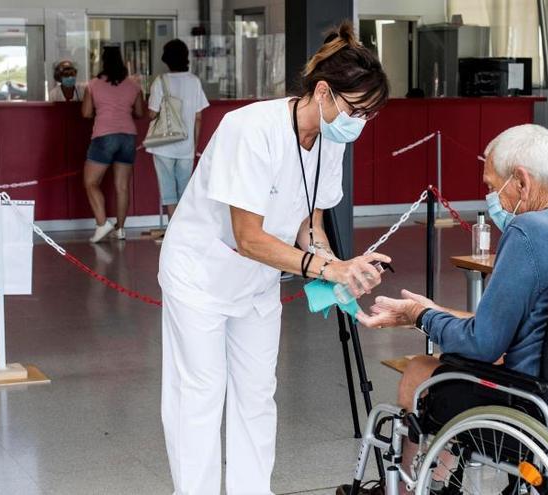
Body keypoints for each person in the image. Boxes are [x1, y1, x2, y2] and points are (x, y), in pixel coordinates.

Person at [157, 22, 389, 494]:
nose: (360, 123)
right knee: (199, 397)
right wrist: (327, 266)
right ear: (323, 92)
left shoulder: (332, 141)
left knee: (257, 396)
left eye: (369, 115)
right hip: (202, 273)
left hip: (259, 281)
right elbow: (248, 237)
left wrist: (344, 268)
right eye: (355, 110)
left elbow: (311, 225)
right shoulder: (251, 128)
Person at [355, 125, 548, 489]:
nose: (489, 197)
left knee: (420, 371)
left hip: (535, 407)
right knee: (457, 365)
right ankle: (440, 475)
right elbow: (529, 324)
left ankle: (411, 485)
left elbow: (485, 343)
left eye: (491, 185)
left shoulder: (527, 233)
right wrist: (437, 313)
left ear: (522, 182)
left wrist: (420, 316)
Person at [81, 45, 145, 242]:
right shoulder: (133, 85)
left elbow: (86, 113)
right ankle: (121, 229)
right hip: (127, 137)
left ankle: (102, 224)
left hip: (104, 136)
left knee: (90, 182)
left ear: (103, 62)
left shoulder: (93, 85)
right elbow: (140, 113)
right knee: (122, 186)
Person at [147, 39, 209, 220]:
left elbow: (152, 114)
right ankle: (183, 229)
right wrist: (194, 144)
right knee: (185, 190)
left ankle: (172, 229)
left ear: (166, 59)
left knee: (168, 189)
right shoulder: (194, 81)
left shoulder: (160, 81)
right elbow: (198, 117)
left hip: (163, 144)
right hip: (186, 145)